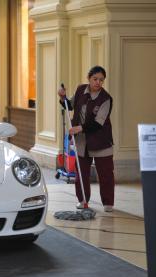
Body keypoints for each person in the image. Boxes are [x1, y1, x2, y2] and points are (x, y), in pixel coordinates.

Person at [58, 65, 115, 212]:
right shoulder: (80, 90)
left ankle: (108, 202)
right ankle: (83, 200)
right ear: (88, 78)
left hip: (101, 141)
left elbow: (98, 123)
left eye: (101, 80)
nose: (98, 83)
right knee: (81, 173)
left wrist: (79, 128)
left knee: (106, 174)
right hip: (82, 141)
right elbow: (69, 105)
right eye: (95, 79)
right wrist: (63, 97)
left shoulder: (106, 99)